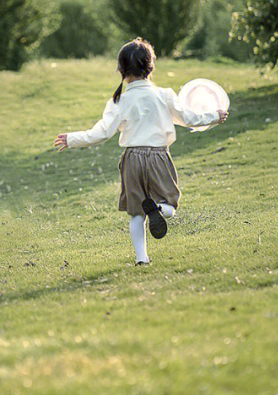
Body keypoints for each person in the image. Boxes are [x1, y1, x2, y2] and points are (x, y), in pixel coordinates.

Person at [53, 38, 227, 265]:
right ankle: (158, 209)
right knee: (170, 205)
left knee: (136, 213)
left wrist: (72, 139)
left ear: (121, 70)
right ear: (150, 66)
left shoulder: (119, 101)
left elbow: (101, 133)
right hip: (158, 156)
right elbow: (189, 118)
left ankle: (142, 259)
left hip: (132, 159)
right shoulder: (164, 95)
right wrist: (215, 115)